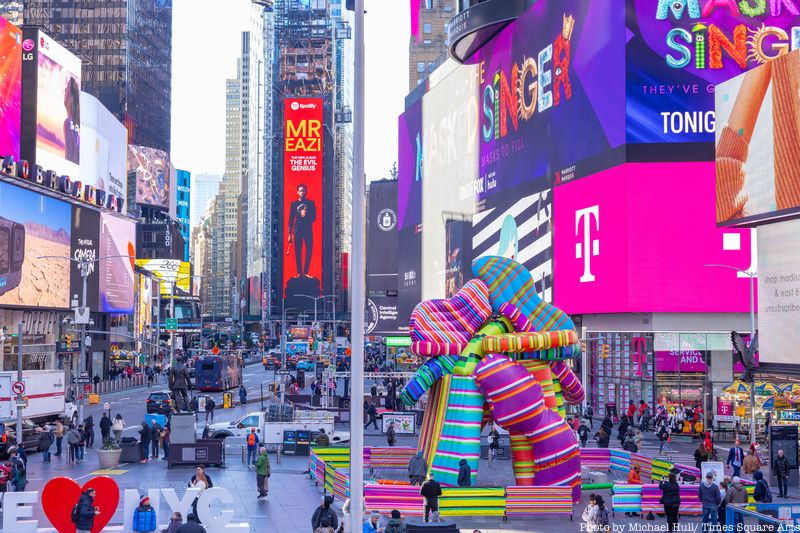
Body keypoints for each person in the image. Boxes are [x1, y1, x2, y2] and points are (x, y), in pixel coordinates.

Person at [288, 184, 317, 278]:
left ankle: (306, 272)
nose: (302, 192)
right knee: (298, 251)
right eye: (300, 191)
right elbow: (291, 219)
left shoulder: (311, 203)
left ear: (306, 192)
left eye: (303, 191)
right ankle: (299, 272)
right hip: (297, 230)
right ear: (297, 192)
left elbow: (314, 217)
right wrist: (289, 234)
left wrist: (306, 216)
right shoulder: (294, 204)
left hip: (308, 229)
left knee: (309, 249)